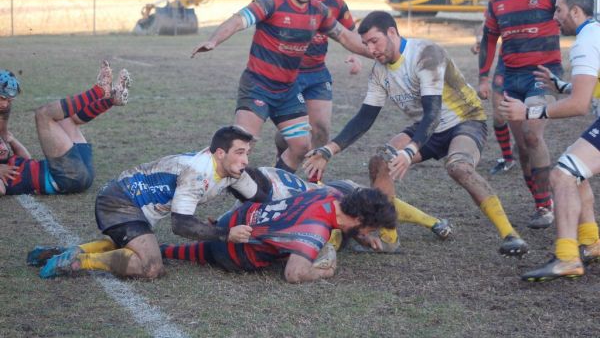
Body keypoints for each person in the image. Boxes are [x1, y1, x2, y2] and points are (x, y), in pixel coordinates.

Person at [303, 10, 528, 257]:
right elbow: (365, 117)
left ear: (392, 33)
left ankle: (510, 235)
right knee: (380, 161)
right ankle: (390, 237)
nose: (371, 49)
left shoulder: (425, 53)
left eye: (374, 41)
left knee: (459, 167)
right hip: (426, 127)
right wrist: (328, 149)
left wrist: (410, 151)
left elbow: (434, 112)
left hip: (464, 121)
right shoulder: (380, 70)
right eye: (366, 44)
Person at [191, 0, 370, 174]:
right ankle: (197, 177)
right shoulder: (271, 3)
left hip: (287, 89)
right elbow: (238, 20)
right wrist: (214, 40)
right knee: (241, 146)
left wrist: (378, 52)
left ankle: (276, 187)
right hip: (258, 84)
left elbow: (346, 36)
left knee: (302, 146)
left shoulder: (319, 11)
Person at [28, 126, 272, 279]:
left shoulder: (232, 171)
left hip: (129, 202)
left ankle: (65, 253)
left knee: (131, 246)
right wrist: (226, 233)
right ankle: (79, 261)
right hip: (120, 200)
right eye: (240, 152)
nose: (245, 159)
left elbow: (260, 198)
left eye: (247, 153)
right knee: (151, 266)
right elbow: (181, 225)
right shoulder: (198, 172)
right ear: (220, 153)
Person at [499, 0, 600, 281]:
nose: (554, 16)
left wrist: (529, 112)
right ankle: (591, 242)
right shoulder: (595, 33)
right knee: (573, 170)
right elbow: (588, 91)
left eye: (559, 10)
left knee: (563, 175)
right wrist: (562, 87)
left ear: (576, 11)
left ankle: (568, 257)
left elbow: (580, 105)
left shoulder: (586, 42)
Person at [478, 0, 562, 229]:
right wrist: (482, 77)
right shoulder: (497, 1)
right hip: (511, 77)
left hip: (541, 75)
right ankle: (541, 205)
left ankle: (548, 207)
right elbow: (489, 39)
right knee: (523, 147)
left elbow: (579, 14)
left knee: (533, 135)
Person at [161, 186, 397, 283]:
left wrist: (362, 236)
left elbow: (345, 221)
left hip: (231, 223)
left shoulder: (330, 194)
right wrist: (325, 272)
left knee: (173, 251)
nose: (369, 234)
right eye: (370, 229)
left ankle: (162, 250)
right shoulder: (315, 229)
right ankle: (163, 250)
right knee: (187, 253)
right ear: (358, 219)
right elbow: (294, 274)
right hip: (233, 254)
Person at [274, 0, 361, 177]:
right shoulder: (288, 0)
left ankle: (314, 181)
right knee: (294, 137)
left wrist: (355, 55)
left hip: (317, 73)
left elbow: (351, 33)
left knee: (321, 130)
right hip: (289, 74)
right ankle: (282, 158)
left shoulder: (337, 4)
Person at [235, 165, 452, 252]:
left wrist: (362, 236)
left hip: (339, 194)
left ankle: (432, 222)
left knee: (382, 226)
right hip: (328, 200)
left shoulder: (328, 216)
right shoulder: (258, 194)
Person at [0, 61, 130, 195]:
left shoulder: (12, 162)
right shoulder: (3, 176)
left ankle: (111, 100)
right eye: (2, 98)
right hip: (67, 177)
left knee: (65, 118)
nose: (5, 104)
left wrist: (10, 139)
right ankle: (99, 90)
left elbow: (27, 157)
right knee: (43, 114)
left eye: (9, 101)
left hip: (82, 172)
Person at [471, 0, 537, 177]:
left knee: (528, 126)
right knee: (499, 114)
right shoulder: (499, 1)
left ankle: (527, 151)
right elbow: (487, 27)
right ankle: (508, 157)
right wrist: (480, 40)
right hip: (506, 67)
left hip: (533, 70)